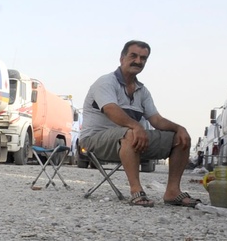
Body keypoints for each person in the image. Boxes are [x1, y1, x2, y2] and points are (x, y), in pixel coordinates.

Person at [79, 40, 196, 208]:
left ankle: (173, 191)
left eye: (143, 58)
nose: (138, 61)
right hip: (95, 140)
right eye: (133, 56)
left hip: (129, 139)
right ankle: (136, 191)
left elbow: (156, 119)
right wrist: (137, 126)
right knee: (130, 133)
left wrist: (179, 128)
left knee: (180, 139)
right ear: (122, 58)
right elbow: (111, 110)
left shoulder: (142, 90)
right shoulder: (105, 82)